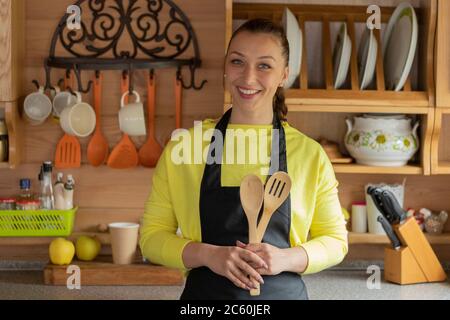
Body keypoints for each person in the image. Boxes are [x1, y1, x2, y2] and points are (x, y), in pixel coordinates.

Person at [139, 19, 348, 300]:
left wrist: (285, 259)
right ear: (225, 68)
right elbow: (151, 238)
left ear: (284, 75)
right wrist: (209, 254)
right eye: (237, 62)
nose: (248, 78)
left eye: (264, 65)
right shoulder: (184, 148)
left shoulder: (310, 155)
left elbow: (336, 241)